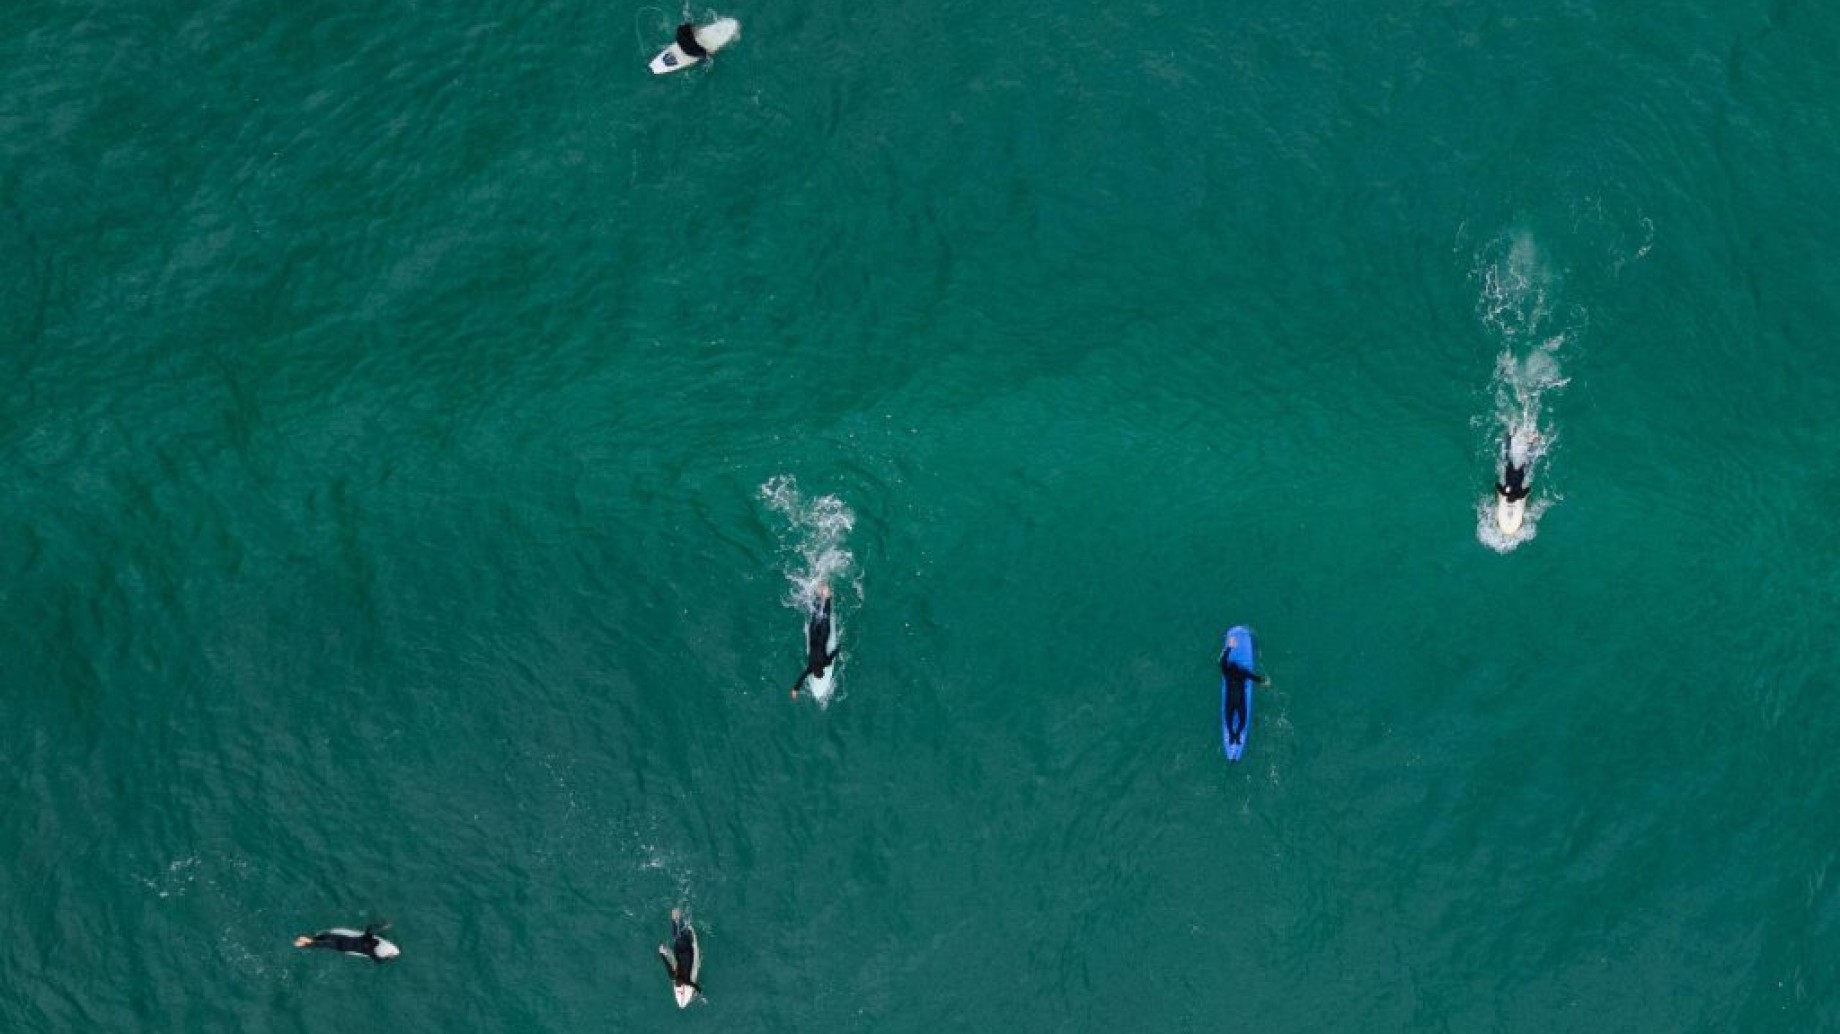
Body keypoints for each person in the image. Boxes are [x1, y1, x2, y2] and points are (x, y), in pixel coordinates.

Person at [789, 583, 839, 700]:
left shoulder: (826, 662)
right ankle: (818, 593)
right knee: (816, 615)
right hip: (813, 634)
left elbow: (834, 653)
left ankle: (826, 594)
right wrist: (795, 690)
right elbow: (801, 678)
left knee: (826, 613)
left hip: (823, 635)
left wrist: (840, 648)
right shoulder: (810, 668)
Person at [1219, 633, 1269, 747]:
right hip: (1240, 700)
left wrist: (1229, 647)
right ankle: (1237, 734)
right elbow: (1255, 678)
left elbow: (1223, 663)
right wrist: (1265, 682)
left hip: (1230, 700)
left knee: (1228, 718)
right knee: (1243, 720)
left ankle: (1232, 734)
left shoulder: (1226, 672)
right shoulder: (1243, 673)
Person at [293, 921, 400, 963]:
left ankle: (306, 941)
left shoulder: (368, 939)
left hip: (342, 939)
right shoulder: (371, 952)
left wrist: (382, 926)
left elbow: (369, 929)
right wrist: (389, 957)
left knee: (324, 938)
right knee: (322, 944)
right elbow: (378, 961)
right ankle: (303, 943)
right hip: (342, 946)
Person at [657, 908, 702, 996]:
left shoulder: (686, 981)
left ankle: (681, 920)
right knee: (677, 937)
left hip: (687, 953)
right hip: (678, 951)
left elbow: (697, 988)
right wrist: (661, 953)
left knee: (684, 936)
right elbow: (666, 963)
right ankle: (675, 918)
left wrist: (699, 994)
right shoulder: (672, 976)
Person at [1495, 431, 1537, 503]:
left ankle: (1531, 443)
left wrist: (1525, 491)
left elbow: (1528, 489)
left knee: (1528, 461)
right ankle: (1510, 437)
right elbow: (1497, 485)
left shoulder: (1519, 495)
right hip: (1512, 472)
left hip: (1517, 473)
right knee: (1508, 456)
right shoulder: (1506, 492)